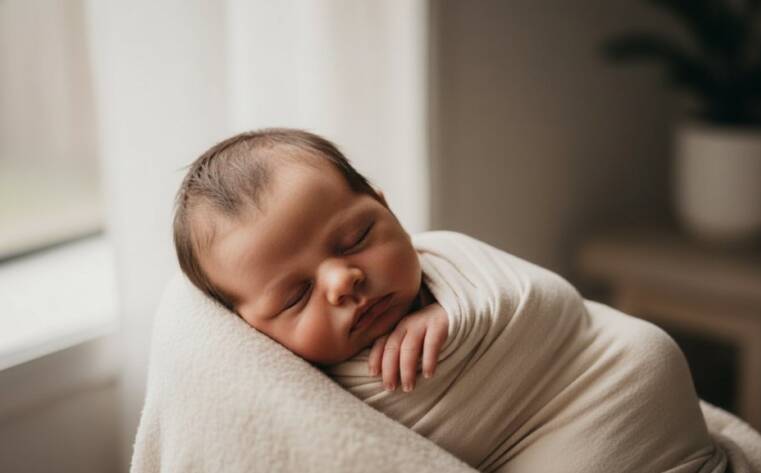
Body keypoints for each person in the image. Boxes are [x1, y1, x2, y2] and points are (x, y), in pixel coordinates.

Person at [173, 128, 726, 472]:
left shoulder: (450, 260)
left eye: (357, 237)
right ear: (249, 328)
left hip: (619, 390)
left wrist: (455, 311)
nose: (343, 281)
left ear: (386, 208)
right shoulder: (293, 388)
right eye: (297, 295)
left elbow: (544, 302)